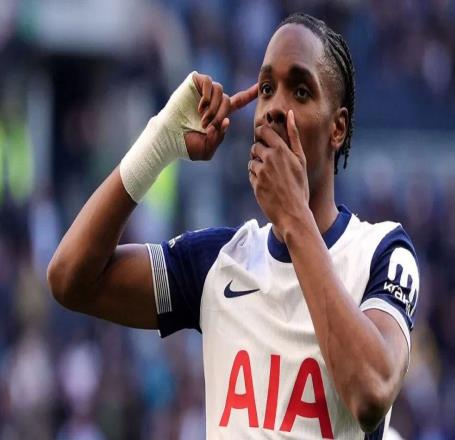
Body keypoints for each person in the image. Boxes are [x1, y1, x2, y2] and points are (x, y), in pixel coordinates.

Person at [48, 12, 419, 440]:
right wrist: (160, 141)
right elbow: (69, 278)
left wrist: (294, 217)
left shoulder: (381, 252)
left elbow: (370, 392)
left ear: (338, 128)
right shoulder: (219, 262)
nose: (274, 108)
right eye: (266, 89)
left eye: (300, 91)